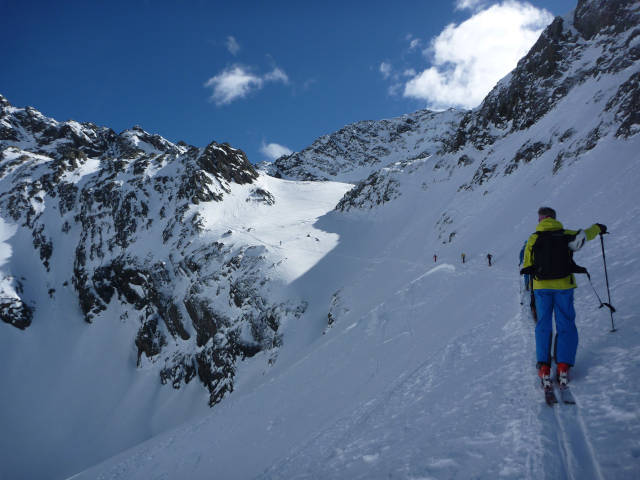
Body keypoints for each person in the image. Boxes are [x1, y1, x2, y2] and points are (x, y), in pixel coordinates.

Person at [520, 206, 606, 389]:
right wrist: (598, 228)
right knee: (565, 323)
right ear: (553, 218)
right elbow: (585, 235)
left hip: (542, 288)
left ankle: (544, 367)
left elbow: (527, 265)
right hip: (564, 286)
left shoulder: (533, 238)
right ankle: (563, 366)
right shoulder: (565, 234)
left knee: (543, 325)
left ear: (541, 219)